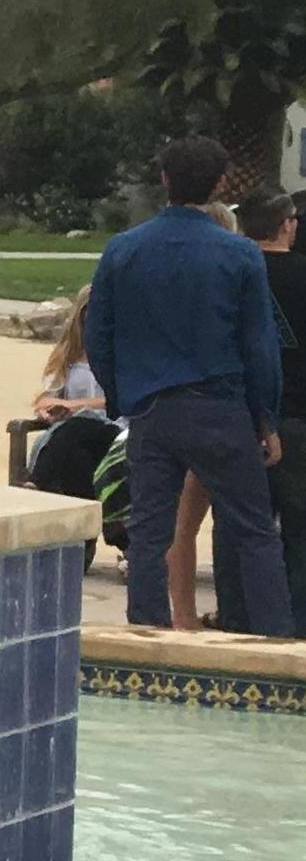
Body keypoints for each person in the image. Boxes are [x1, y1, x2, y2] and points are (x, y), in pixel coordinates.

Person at [85, 137, 291, 635]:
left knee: (149, 532)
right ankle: (273, 641)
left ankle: (147, 636)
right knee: (253, 530)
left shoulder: (124, 249)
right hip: (220, 406)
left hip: (152, 408)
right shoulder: (240, 254)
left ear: (164, 179)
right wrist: (265, 416)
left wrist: (120, 394)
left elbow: (99, 334)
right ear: (220, 185)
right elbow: (259, 345)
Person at [219, 189, 306, 632]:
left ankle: (236, 622)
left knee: (236, 529)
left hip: (236, 415)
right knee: (300, 533)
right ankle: (295, 628)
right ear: (287, 224)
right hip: (299, 419)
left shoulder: (229, 274)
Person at [27, 286, 116, 501]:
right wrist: (50, 409)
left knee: (79, 423)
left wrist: (75, 406)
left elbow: (120, 401)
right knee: (78, 459)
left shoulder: (122, 355)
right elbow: (45, 397)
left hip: (112, 430)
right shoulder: (68, 356)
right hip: (74, 440)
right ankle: (83, 532)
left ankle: (36, 483)